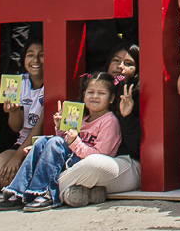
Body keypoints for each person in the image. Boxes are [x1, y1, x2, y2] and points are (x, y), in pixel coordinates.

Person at [0, 70, 118, 213]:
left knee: (55, 142)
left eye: (101, 93)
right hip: (71, 158)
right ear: (84, 95)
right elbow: (65, 142)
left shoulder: (109, 121)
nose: (95, 97)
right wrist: (61, 129)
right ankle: (19, 191)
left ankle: (44, 193)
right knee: (43, 140)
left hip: (87, 164)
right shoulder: (81, 117)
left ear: (111, 98)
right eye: (90, 92)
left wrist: (74, 142)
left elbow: (100, 154)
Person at [60, 44, 142, 206]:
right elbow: (68, 140)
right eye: (116, 61)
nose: (120, 67)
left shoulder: (138, 95)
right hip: (81, 162)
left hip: (122, 166)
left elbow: (138, 148)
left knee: (93, 163)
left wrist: (126, 117)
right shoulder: (91, 92)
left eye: (128, 63)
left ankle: (43, 188)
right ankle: (80, 192)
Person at [0, 39, 47, 194]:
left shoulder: (54, 83)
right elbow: (16, 128)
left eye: (42, 55)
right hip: (22, 142)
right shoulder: (16, 82)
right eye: (30, 55)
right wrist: (13, 112)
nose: (35, 60)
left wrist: (17, 157)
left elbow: (40, 127)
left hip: (42, 144)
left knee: (7, 178)